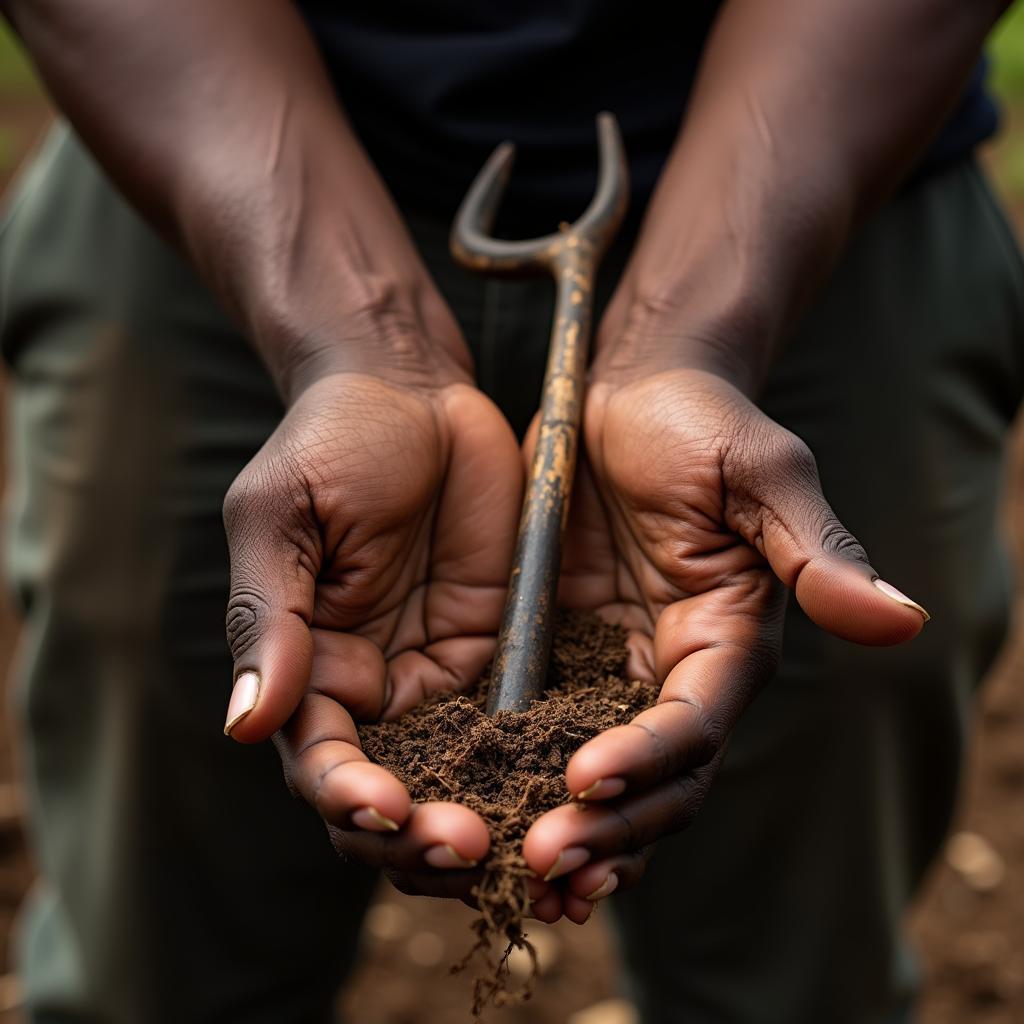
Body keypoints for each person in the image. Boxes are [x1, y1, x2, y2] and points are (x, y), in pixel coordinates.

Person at [0, 0, 1019, 1020]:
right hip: (196, 144)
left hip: (827, 150)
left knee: (795, 968)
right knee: (158, 957)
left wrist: (682, 336)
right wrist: (362, 340)